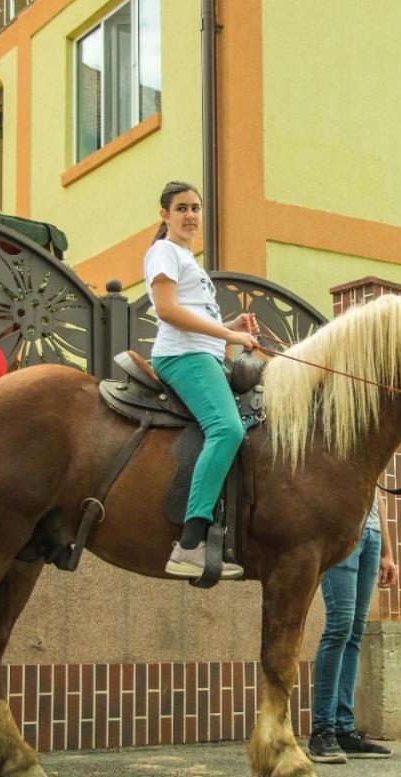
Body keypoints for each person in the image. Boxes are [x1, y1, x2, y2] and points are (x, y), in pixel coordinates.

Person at [144, 180, 259, 579]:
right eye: (181, 208)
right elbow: (167, 310)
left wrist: (230, 324)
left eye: (195, 208)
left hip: (201, 354)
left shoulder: (191, 262)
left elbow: (196, 318)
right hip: (183, 356)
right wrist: (229, 336)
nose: (190, 215)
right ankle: (190, 545)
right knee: (227, 430)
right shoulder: (164, 251)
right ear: (165, 215)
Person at [307, 491, 398, 763]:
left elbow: (378, 495)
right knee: (339, 627)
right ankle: (322, 732)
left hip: (371, 536)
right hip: (342, 533)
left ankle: (343, 729)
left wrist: (388, 552)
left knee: (355, 632)